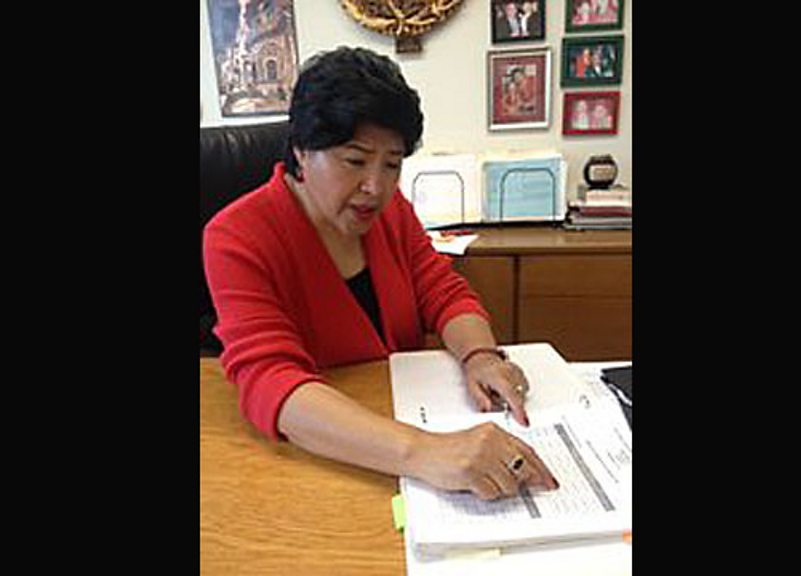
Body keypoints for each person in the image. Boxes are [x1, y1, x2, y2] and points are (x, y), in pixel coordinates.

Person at [204, 46, 558, 501]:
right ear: (301, 151)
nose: (376, 187)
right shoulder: (236, 237)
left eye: (392, 164)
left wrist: (481, 357)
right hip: (321, 463)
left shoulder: (390, 213)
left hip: (407, 418)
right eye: (355, 161)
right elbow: (271, 380)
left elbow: (444, 291)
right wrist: (426, 452)